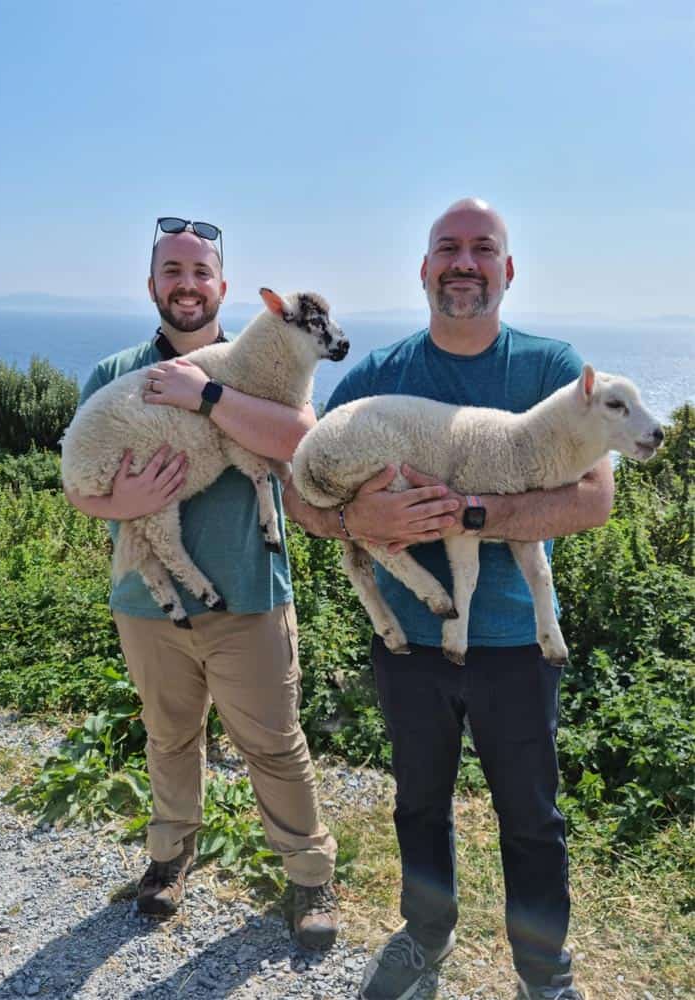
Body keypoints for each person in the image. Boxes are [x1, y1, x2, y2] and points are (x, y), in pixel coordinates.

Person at [284, 199, 614, 998]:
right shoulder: (378, 377)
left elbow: (593, 499)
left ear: (507, 270)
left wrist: (474, 513)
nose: (463, 262)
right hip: (414, 645)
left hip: (515, 642)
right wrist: (350, 518)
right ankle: (425, 937)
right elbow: (301, 493)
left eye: (482, 249)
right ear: (424, 268)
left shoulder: (551, 369)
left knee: (532, 819)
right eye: (447, 249)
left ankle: (545, 972)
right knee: (419, 803)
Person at [64, 217, 339, 949]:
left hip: (251, 592)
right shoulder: (116, 372)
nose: (187, 284)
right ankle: (168, 860)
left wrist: (205, 397)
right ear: (153, 284)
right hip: (148, 605)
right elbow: (80, 484)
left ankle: (310, 876)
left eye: (201, 271)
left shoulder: (271, 364)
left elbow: (302, 445)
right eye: (173, 271)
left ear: (223, 286)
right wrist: (121, 506)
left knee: (275, 743)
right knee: (169, 736)